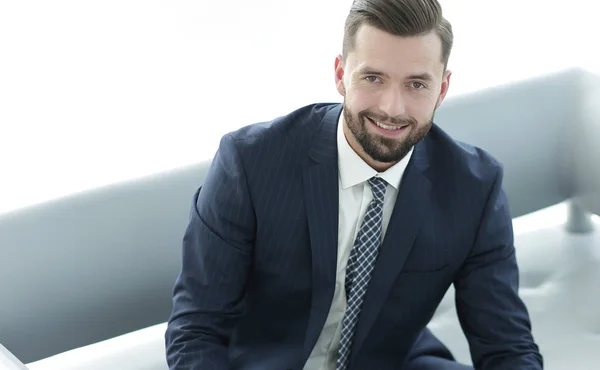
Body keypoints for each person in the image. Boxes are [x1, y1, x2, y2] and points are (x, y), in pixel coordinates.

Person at [165, 0, 543, 368]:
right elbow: (197, 328)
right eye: (373, 78)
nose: (392, 108)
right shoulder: (249, 163)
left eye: (416, 84)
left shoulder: (474, 188)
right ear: (340, 74)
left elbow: (507, 346)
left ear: (441, 90)